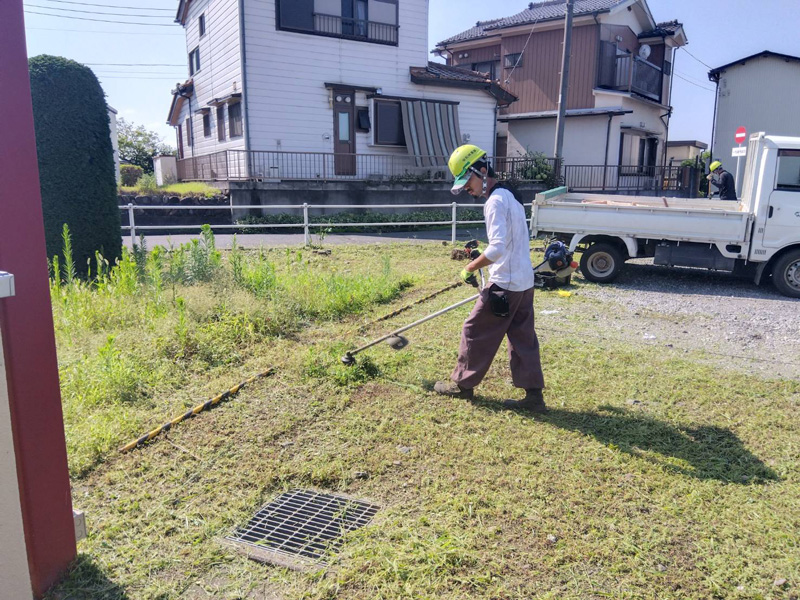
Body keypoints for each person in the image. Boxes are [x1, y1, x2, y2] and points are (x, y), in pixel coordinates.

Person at [433, 144, 546, 412]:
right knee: (522, 338)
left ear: (482, 171)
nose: (467, 190)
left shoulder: (494, 201)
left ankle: (462, 386)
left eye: (468, 182)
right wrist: (484, 254)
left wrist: (470, 267)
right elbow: (508, 242)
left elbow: (496, 249)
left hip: (504, 286)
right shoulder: (511, 195)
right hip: (523, 282)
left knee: (474, 331)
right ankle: (534, 397)